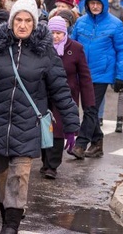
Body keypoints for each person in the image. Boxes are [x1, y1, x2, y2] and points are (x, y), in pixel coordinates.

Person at [0, 0, 80, 234]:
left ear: (35, 24)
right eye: (18, 20)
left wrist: (72, 125)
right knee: (1, 179)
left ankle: (11, 227)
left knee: (19, 177)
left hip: (28, 125)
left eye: (28, 20)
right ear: (11, 22)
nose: (22, 25)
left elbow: (61, 91)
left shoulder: (46, 54)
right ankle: (6, 218)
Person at [69, 0, 123, 159]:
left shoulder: (115, 24)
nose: (94, 6)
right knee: (89, 109)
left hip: (102, 72)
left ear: (104, 4)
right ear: (87, 4)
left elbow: (122, 50)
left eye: (97, 3)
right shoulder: (80, 22)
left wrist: (121, 75)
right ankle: (97, 142)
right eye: (91, 3)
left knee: (90, 108)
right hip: (82, 72)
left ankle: (80, 144)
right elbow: (72, 45)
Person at [42, 16, 93, 177]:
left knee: (58, 130)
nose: (55, 36)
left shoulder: (76, 48)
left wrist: (89, 100)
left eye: (59, 33)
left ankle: (52, 166)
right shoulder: (42, 48)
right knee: (44, 128)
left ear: (65, 33)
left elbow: (84, 76)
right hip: (44, 94)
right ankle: (45, 162)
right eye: (52, 33)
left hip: (66, 96)